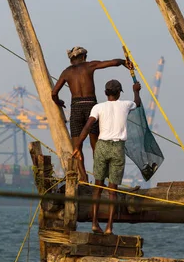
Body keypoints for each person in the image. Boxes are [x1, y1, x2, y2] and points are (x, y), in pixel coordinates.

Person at [73, 79, 141, 235]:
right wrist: (136, 90)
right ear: (119, 93)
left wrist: (77, 146)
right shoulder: (125, 104)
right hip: (118, 148)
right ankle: (109, 227)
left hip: (102, 146)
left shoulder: (98, 107)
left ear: (105, 93)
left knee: (97, 187)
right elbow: (138, 103)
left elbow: (87, 127)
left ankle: (95, 223)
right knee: (112, 191)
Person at [51, 46, 131, 181]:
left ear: (71, 60)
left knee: (77, 146)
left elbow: (53, 93)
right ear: (83, 57)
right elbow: (112, 62)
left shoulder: (66, 72)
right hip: (91, 106)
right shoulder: (89, 66)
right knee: (96, 146)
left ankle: (83, 178)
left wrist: (58, 102)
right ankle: (99, 179)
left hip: (76, 107)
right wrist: (124, 62)